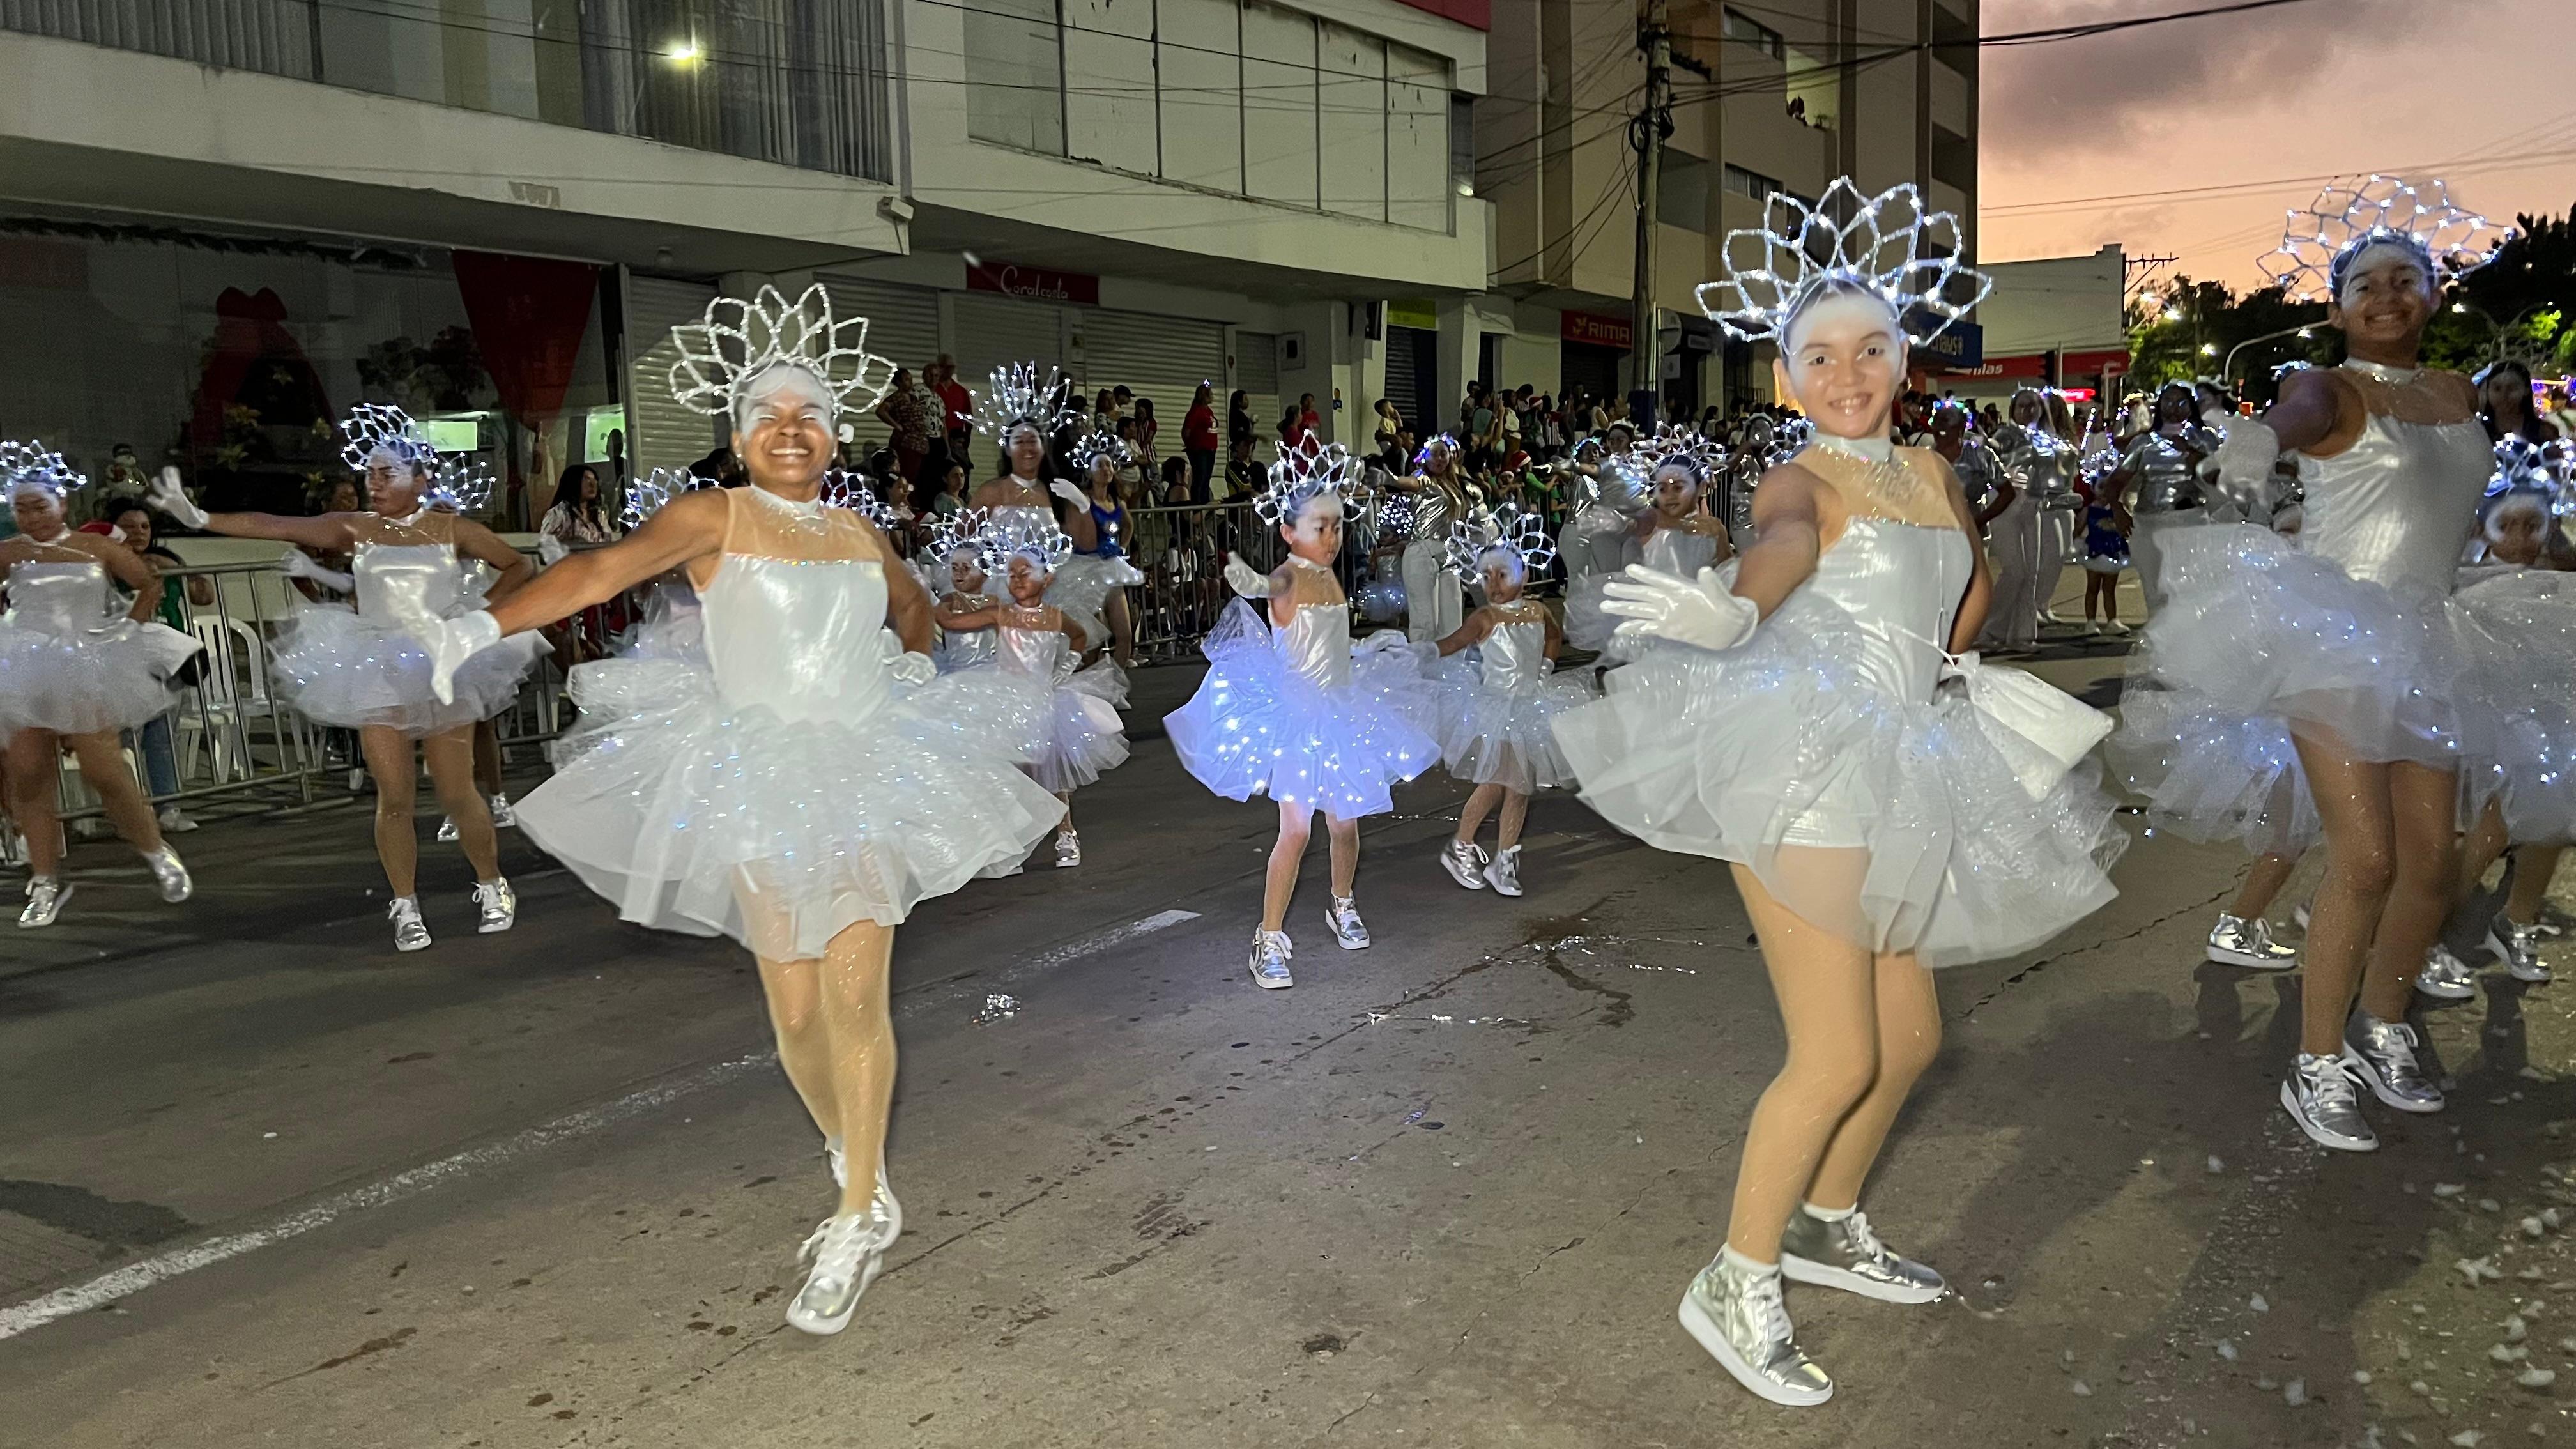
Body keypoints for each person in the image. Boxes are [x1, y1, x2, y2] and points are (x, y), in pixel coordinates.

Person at [398, 284, 1063, 1336]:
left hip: (860, 774)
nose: (789, 429)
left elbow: (912, 606)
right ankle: (856, 1155)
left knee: (856, 997)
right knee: (793, 1013)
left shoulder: (857, 530)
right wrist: (472, 627)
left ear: (832, 435)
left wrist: (917, 667)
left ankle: (857, 1212)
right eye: (768, 415)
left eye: (807, 414)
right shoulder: (714, 516)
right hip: (753, 777)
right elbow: (598, 571)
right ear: (743, 437)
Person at [1554, 180, 2122, 1406]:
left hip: (1909, 758)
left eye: (1869, 348)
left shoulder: (1928, 467)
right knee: (1834, 1051)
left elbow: (1965, 595)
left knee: (1910, 1039)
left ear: (1903, 360)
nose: (1846, 372)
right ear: (1786, 376)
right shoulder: (1794, 480)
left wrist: (1945, 660)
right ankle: (1733, 1273)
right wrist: (1736, 609)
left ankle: (1822, 1222)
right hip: (1806, 767)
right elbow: (1783, 550)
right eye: (1819, 355)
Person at [2127, 176, 2576, 1151]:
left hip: (2435, 633)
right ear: (2337, 305)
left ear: (2433, 296)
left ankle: (2383, 1023)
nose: (2385, 294)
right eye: (2364, 282)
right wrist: (2256, 435)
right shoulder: (2325, 387)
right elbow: (2291, 412)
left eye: (2405, 278)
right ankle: (2317, 1060)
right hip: (2334, 633)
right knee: (2365, 859)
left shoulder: (2461, 395)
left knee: (2436, 866)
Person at [148, 406, 538, 951]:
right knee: (394, 795)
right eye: (370, 475)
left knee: (457, 791)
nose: (374, 484)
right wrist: (201, 519)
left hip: (443, 663)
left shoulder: (453, 529)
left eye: (387, 475)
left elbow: (520, 567)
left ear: (420, 479)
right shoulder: (356, 528)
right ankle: (405, 903)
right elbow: (276, 524)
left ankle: (492, 882)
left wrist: (476, 620)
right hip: (376, 666)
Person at [1165, 436, 1438, 987]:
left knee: (1345, 823)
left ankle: (1342, 901)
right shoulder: (1290, 575)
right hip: (1297, 717)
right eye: (1320, 527)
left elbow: (1330, 644)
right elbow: (1269, 588)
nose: (1332, 537)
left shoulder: (1331, 574)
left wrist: (1359, 655)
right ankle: (1267, 937)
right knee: (1296, 831)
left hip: (1340, 707)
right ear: (1290, 533)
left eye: (1337, 526)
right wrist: (1247, 578)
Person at [1, 444, 199, 926]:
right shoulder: (9, 553)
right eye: (20, 509)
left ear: (63, 504)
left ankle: (154, 849)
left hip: (85, 663)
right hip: (24, 666)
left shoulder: (98, 548)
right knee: (29, 777)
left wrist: (128, 628)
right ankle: (45, 880)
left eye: (39, 507)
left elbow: (147, 583)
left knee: (105, 770)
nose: (30, 518)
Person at [936, 514, 1128, 868]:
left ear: (1047, 578)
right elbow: (949, 622)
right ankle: (1010, 844)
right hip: (1006, 701)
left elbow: (1080, 637)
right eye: (1011, 574)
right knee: (1011, 773)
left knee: (1050, 772)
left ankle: (1066, 834)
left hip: (1043, 699)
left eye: (1025, 573)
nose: (1017, 579)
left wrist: (1064, 669)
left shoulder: (1054, 617)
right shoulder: (1001, 614)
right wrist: (923, 596)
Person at [1422, 508, 1595, 896]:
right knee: (1503, 782)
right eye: (1487, 576)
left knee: (1519, 787)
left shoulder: (1537, 610)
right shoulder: (1485, 617)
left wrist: (1547, 667)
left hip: (1531, 707)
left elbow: (1553, 637)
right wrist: (1418, 654)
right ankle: (1462, 846)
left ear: (1525, 575)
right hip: (1497, 709)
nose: (1494, 584)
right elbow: (1452, 644)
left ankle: (1504, 859)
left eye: (1503, 574)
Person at [968, 364, 1145, 661]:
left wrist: (1084, 506)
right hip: (1001, 592)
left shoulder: (1056, 491)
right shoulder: (991, 492)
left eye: (1032, 440)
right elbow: (965, 540)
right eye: (1019, 441)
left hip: (1047, 592)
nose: (1026, 447)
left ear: (1042, 446)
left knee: (1062, 658)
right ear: (1008, 449)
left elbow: (1086, 543)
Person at [91, 498, 212, 835]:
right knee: (126, 738)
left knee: (162, 738)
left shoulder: (164, 560)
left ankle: (168, 807)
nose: (139, 533)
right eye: (129, 527)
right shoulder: (102, 566)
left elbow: (204, 595)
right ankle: (128, 811)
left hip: (166, 660)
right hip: (122, 661)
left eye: (145, 527)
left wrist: (179, 567)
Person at [1563, 428, 1734, 661]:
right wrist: (1617, 522)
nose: (1671, 495)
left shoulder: (1713, 528)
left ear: (1697, 488)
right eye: (1663, 489)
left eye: (1679, 487)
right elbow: (1634, 526)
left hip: (1696, 626)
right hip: (1657, 625)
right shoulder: (1652, 521)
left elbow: (1727, 572)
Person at [2104, 383, 2215, 614]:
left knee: (2189, 588)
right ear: (2159, 405)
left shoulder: (2206, 439)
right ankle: (2159, 644)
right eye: (2169, 402)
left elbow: (2223, 482)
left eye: (2181, 402)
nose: (2174, 408)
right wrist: (2119, 511)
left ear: (2191, 406)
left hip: (2191, 520)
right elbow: (2115, 482)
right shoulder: (2144, 442)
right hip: (2150, 522)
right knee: (2155, 589)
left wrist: (2199, 462)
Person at [1385, 434, 1473, 643]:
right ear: (1425, 457)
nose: (1439, 459)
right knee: (1425, 620)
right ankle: (1422, 668)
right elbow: (1410, 483)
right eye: (1434, 454)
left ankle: (1450, 667)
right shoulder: (1422, 478)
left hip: (1449, 554)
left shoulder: (1453, 485)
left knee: (1452, 619)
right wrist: (1391, 480)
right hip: (1422, 552)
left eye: (1443, 454)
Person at [873, 367, 932, 501]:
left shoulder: (913, 397)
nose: (909, 383)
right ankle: (904, 501)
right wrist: (897, 426)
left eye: (910, 380)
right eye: (906, 380)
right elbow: (881, 411)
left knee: (918, 477)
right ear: (898, 382)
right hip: (907, 443)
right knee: (907, 475)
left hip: (920, 443)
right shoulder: (897, 397)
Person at [2476, 358, 2561, 444]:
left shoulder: (2545, 432)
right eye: (2497, 389)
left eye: (2512, 388)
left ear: (2526, 390)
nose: (2504, 395)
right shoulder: (2478, 430)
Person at [538, 463, 618, 547]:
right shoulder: (558, 513)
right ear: (574, 482)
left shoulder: (598, 515)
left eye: (595, 480)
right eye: (586, 479)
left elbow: (610, 542)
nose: (593, 484)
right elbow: (545, 547)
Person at [929, 355, 974, 477]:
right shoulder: (933, 389)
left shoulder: (960, 391)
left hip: (956, 439)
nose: (949, 370)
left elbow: (968, 417)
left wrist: (966, 439)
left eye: (952, 367)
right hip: (937, 439)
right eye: (945, 367)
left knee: (960, 472)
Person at [1183, 382, 1219, 502]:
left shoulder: (1208, 411)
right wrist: (1192, 445)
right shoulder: (1196, 412)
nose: (1213, 396)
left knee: (1206, 478)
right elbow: (1187, 431)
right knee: (1201, 478)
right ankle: (1198, 504)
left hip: (1210, 450)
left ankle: (1204, 502)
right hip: (1200, 450)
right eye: (1210, 394)